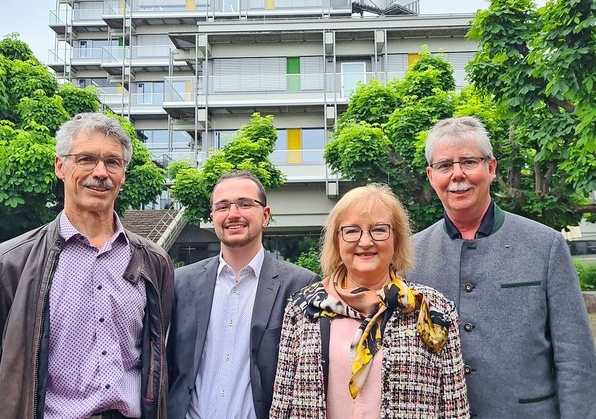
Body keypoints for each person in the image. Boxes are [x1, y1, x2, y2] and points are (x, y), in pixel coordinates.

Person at [0, 113, 174, 419]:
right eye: (86, 159)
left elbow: (157, 358)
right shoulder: (9, 263)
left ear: (123, 176)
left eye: (113, 162)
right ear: (60, 167)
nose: (100, 172)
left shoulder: (153, 261)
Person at [409, 116, 596, 418]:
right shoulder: (410, 255)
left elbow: (575, 356)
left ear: (491, 168)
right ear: (431, 176)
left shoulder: (544, 245)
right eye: (445, 166)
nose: (457, 175)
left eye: (469, 161)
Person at [270, 184, 469, 418]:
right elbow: (282, 403)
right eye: (352, 231)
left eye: (379, 230)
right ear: (337, 241)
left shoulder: (431, 308)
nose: (365, 242)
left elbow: (454, 407)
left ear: (396, 238)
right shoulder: (304, 307)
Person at [167, 170, 319, 419]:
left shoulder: (300, 286)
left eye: (245, 204)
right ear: (212, 216)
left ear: (265, 215)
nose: (233, 214)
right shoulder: (180, 282)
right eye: (223, 206)